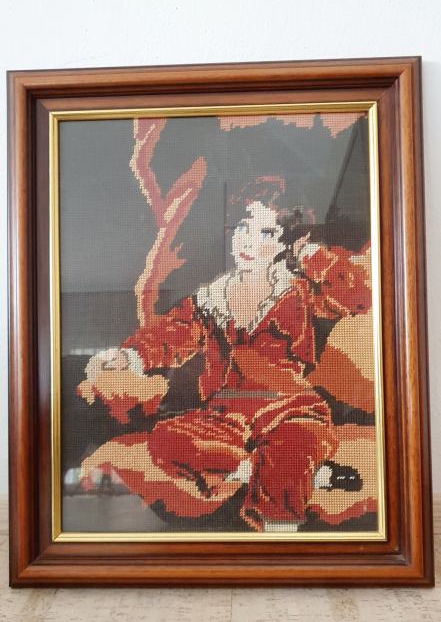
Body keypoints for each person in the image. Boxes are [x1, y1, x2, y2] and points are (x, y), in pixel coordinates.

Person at [79, 177, 372, 531]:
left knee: (296, 442)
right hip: (223, 411)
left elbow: (359, 296)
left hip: (287, 407)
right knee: (168, 439)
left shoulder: (301, 291)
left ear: (286, 242)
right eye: (243, 227)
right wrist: (127, 356)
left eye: (265, 233)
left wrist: (311, 256)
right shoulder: (211, 298)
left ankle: (282, 518)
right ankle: (275, 470)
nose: (248, 240)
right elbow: (170, 334)